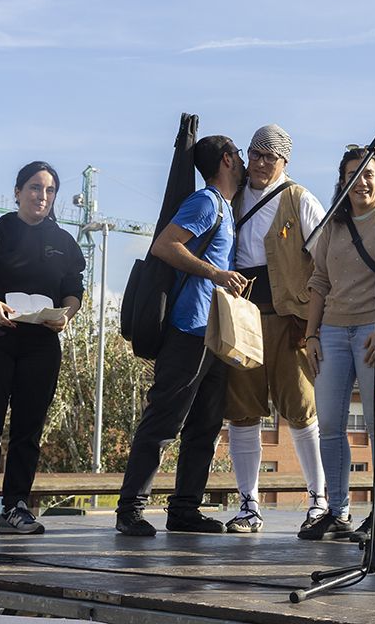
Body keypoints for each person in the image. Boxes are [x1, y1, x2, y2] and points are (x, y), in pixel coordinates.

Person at [115, 135, 248, 537]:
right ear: (226, 160)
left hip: (214, 335)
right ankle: (131, 509)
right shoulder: (206, 202)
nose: (243, 162)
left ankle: (184, 508)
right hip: (188, 329)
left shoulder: (225, 206)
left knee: (205, 426)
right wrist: (215, 273)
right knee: (163, 422)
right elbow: (165, 245)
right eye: (240, 155)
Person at [298, 146, 375, 543]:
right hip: (333, 331)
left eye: (369, 173)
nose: (363, 181)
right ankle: (337, 512)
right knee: (331, 425)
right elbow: (319, 282)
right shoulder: (333, 226)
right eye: (354, 174)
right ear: (343, 180)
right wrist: (311, 334)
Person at [0, 160, 85, 536]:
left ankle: (17, 506)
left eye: (49, 190)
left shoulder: (63, 241)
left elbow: (74, 289)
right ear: (17, 192)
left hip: (41, 345)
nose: (41, 196)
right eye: (34, 187)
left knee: (28, 431)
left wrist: (68, 314)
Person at [223, 125, 327, 535]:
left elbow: (325, 258)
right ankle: (248, 505)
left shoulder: (300, 198)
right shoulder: (230, 196)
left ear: (285, 162)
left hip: (290, 318)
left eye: (271, 157)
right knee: (242, 411)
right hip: (242, 314)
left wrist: (315, 319)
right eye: (256, 154)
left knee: (302, 408)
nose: (262, 163)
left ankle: (320, 502)